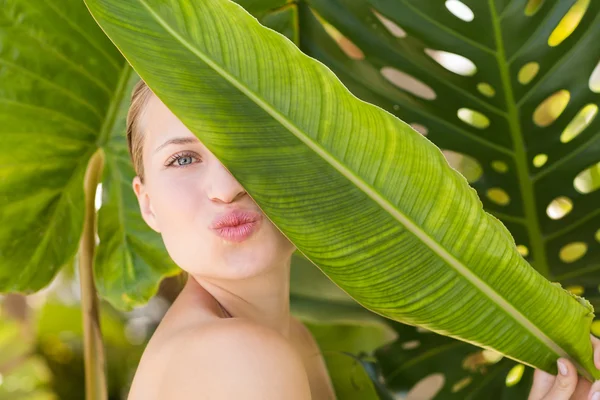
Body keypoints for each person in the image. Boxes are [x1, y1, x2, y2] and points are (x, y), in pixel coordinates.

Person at [123, 79, 600, 400]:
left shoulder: (286, 338)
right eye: (183, 160)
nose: (227, 188)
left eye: (250, 145)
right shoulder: (235, 352)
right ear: (146, 203)